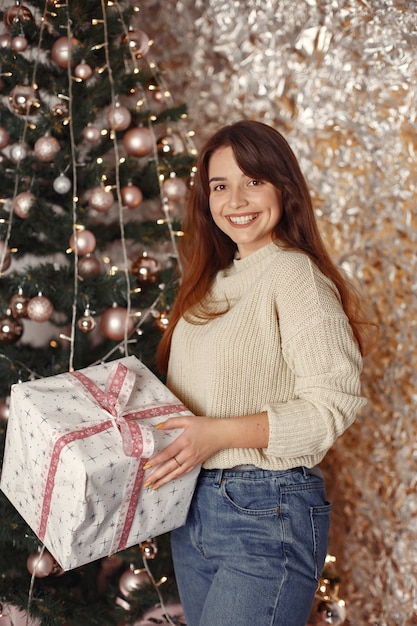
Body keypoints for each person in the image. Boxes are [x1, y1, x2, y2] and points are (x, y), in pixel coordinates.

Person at [143, 120, 368, 626]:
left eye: (253, 181)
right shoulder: (211, 282)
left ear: (283, 188)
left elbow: (331, 404)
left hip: (266, 512)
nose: (236, 200)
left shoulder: (294, 275)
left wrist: (216, 435)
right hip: (194, 509)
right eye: (220, 185)